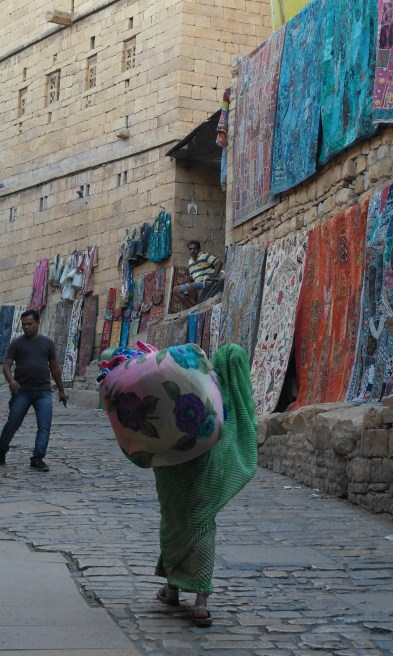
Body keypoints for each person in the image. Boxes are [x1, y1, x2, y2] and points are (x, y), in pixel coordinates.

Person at [154, 344, 257, 626]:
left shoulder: (199, 388)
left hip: (173, 469)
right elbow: (239, 436)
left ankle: (172, 588)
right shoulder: (232, 405)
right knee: (201, 523)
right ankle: (200, 603)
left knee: (175, 520)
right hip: (206, 473)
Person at [0, 308, 67, 472]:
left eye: (30, 324)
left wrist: (61, 390)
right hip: (22, 391)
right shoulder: (17, 343)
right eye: (24, 325)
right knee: (12, 424)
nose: (26, 327)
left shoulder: (47, 343)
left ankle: (37, 458)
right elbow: (7, 365)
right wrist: (11, 380)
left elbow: (54, 367)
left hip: (43, 392)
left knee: (44, 426)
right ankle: (1, 450)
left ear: (38, 323)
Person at [172, 241, 224, 310]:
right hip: (196, 284)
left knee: (190, 286)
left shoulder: (205, 256)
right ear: (188, 250)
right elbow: (194, 276)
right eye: (190, 249)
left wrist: (215, 274)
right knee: (176, 290)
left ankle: (197, 304)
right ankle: (191, 307)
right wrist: (188, 279)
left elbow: (219, 262)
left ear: (199, 249)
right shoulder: (190, 262)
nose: (192, 251)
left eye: (194, 248)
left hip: (207, 282)